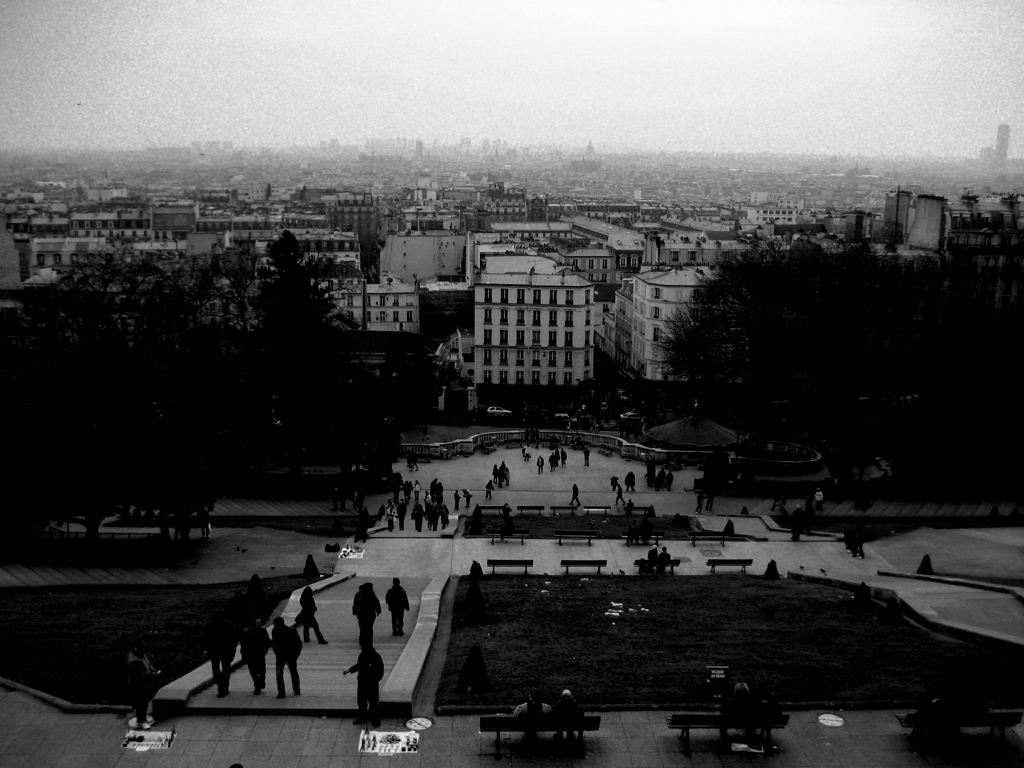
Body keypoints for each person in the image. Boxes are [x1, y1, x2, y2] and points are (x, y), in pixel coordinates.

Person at [344, 643, 385, 727]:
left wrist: (375, 680)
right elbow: (359, 665)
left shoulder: (374, 657)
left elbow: (379, 671)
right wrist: (349, 670)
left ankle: (371, 718)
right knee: (364, 702)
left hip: (369, 683)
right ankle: (369, 718)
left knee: (371, 702)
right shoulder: (370, 655)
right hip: (365, 682)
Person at [203, 611, 239, 697]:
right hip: (224, 651)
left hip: (216, 652)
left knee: (217, 670)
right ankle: (224, 687)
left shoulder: (210, 626)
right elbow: (233, 640)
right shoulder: (228, 625)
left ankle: (221, 687)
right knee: (225, 670)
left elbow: (205, 640)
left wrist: (207, 650)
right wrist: (233, 652)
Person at [127, 640, 159, 730]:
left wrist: (152, 669)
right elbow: (139, 675)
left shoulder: (140, 654)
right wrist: (152, 674)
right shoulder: (134, 661)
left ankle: (142, 717)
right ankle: (141, 722)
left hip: (143, 683)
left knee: (144, 701)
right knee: (142, 702)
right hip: (138, 684)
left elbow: (147, 663)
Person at [271, 616, 301, 698]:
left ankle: (282, 692)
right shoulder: (291, 631)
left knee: (280, 674)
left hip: (285, 655)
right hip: (286, 655)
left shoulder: (277, 631)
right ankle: (295, 689)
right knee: (292, 672)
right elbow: (298, 645)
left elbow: (298, 645)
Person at [240, 618, 271, 695]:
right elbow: (243, 645)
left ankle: (261, 680)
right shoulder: (246, 632)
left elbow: (267, 642)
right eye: (258, 623)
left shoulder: (263, 631)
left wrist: (264, 651)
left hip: (260, 654)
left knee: (262, 671)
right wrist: (244, 655)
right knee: (253, 672)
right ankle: (257, 685)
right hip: (251, 655)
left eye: (260, 622)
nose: (260, 624)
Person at [352, 582, 382, 648]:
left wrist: (355, 611)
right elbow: (377, 603)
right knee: (369, 628)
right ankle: (369, 642)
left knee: (362, 628)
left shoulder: (359, 595)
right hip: (370, 615)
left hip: (361, 615)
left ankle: (362, 641)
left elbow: (355, 604)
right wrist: (378, 611)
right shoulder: (372, 595)